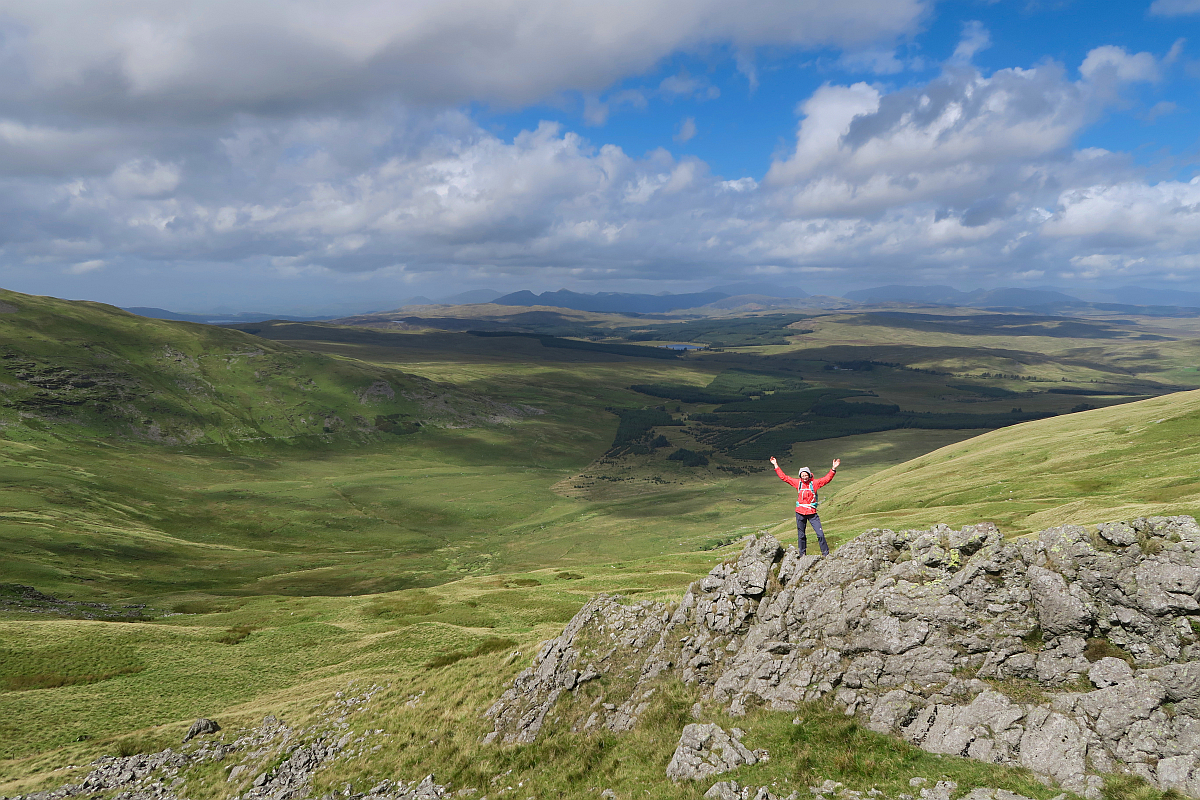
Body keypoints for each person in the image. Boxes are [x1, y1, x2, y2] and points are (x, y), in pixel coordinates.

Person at [770, 456, 840, 556]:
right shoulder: (797, 483)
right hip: (800, 513)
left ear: (809, 474)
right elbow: (784, 478)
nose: (804, 477)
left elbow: (827, 479)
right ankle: (802, 555)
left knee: (820, 534)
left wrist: (833, 468)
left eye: (806, 475)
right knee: (801, 535)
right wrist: (775, 465)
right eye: (802, 475)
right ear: (800, 476)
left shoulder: (815, 483)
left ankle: (826, 554)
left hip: (812, 513)